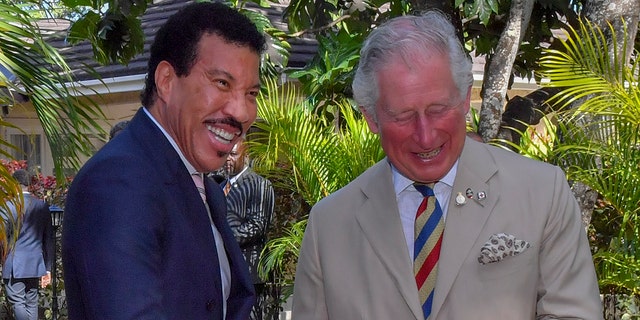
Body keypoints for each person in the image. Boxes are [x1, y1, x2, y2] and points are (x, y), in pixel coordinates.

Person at [292, 11, 603, 320]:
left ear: (466, 98)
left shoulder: (542, 193)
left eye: (439, 109)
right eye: (403, 116)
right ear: (372, 117)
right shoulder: (329, 225)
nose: (425, 136)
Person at [61, 2, 266, 319]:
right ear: (167, 81)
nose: (242, 112)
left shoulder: (204, 188)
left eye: (251, 93)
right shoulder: (118, 182)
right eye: (222, 83)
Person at [222, 141, 275, 320]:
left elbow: (257, 225)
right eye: (225, 154)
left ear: (245, 156)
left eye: (233, 154)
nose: (228, 159)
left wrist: (224, 240)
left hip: (249, 272)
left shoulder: (259, 185)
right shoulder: (218, 187)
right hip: (225, 273)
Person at [1, 169, 53, 320]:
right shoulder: (42, 206)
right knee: (31, 303)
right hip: (35, 264)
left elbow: (2, 238)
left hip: (14, 264)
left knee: (18, 302)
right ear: (28, 185)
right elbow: (48, 238)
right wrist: (48, 268)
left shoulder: (8, 206)